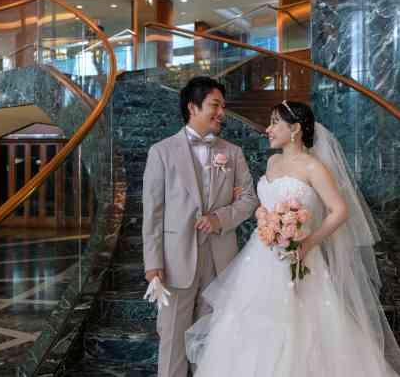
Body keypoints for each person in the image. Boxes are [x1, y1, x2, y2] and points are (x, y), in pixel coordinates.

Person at [185, 100, 400, 377]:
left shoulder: (313, 167)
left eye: (275, 122)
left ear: (295, 129)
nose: (268, 129)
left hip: (299, 256)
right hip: (259, 257)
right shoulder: (272, 161)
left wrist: (307, 242)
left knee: (300, 330)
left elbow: (340, 210)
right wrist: (265, 217)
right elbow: (266, 203)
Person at [142, 76, 258, 377]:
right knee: (172, 340)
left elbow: (249, 199)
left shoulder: (232, 153)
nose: (221, 113)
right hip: (175, 260)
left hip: (220, 261)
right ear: (193, 107)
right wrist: (153, 263)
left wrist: (220, 218)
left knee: (212, 342)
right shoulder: (161, 152)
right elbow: (152, 213)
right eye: (214, 105)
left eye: (223, 106)